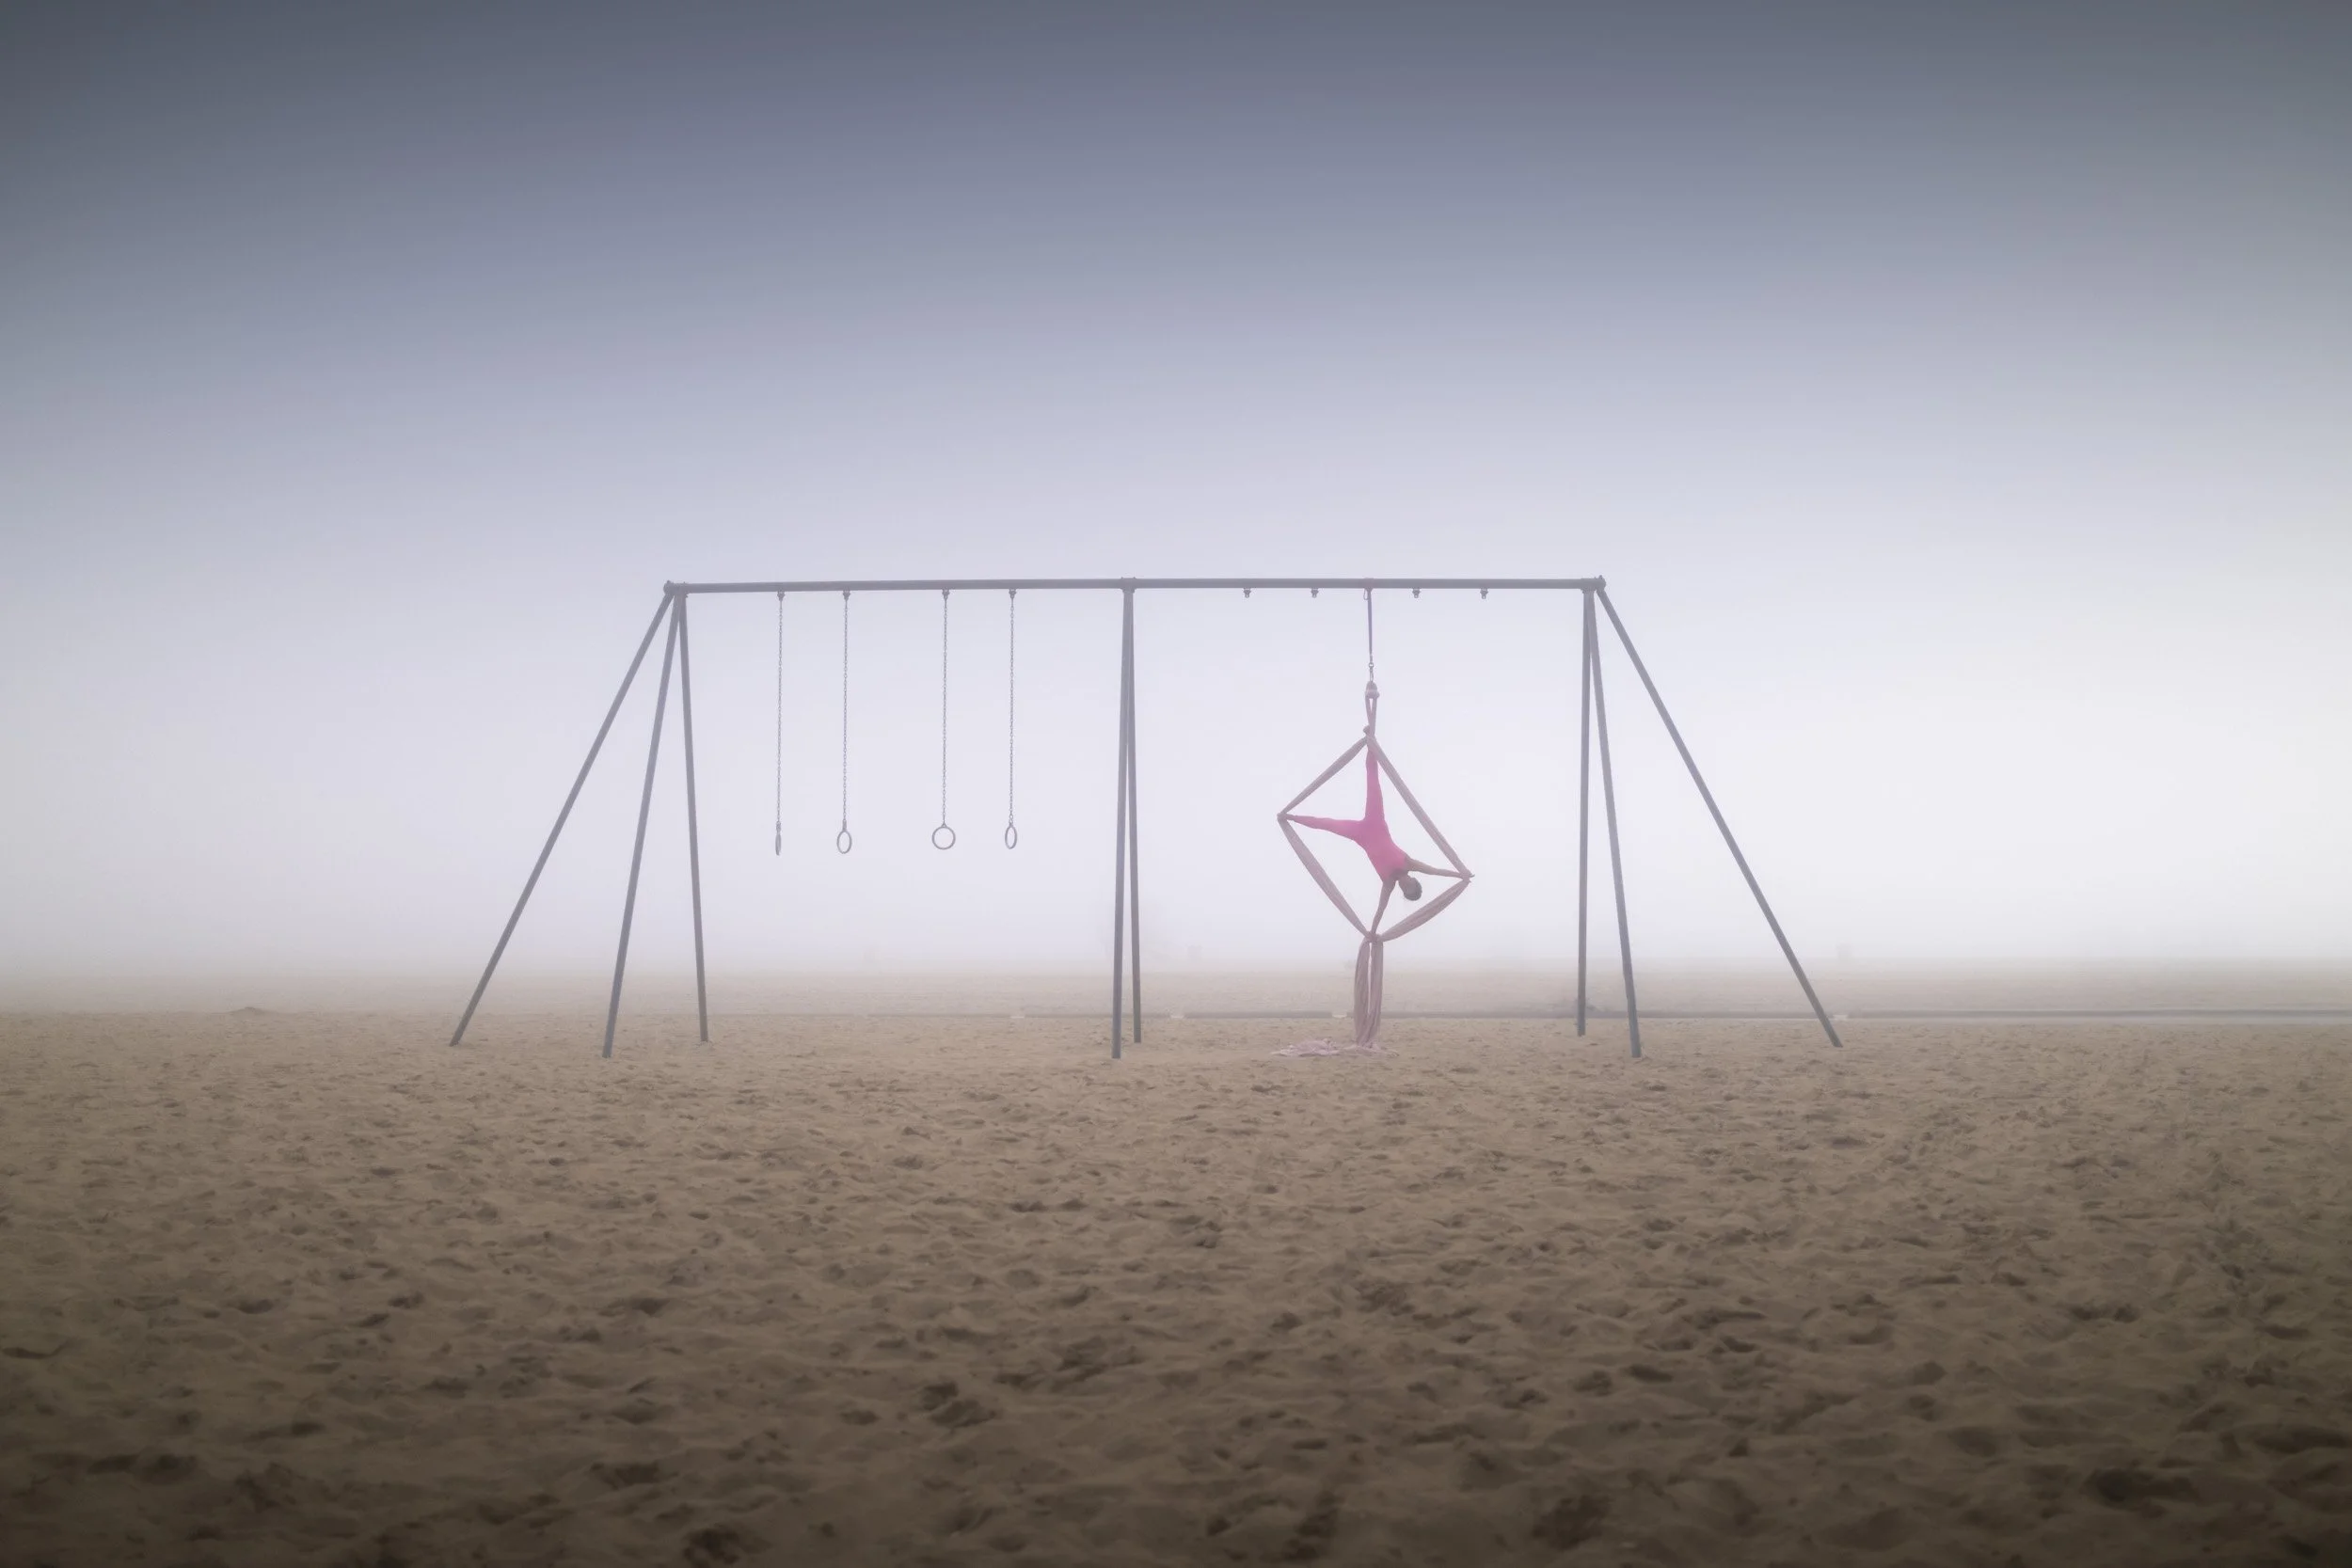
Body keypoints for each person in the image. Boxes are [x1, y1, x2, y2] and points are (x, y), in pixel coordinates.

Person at [1282, 746, 1455, 902]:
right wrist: (1459, 874)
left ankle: (1291, 817)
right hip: (1376, 823)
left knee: (1327, 824)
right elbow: (1435, 871)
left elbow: (1381, 907)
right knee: (1373, 782)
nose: (1405, 887)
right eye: (1410, 887)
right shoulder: (1409, 864)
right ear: (1414, 880)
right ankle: (1370, 742)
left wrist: (1373, 931)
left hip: (1361, 835)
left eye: (1405, 891)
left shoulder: (1388, 883)